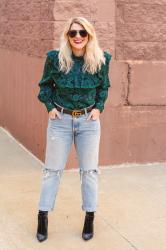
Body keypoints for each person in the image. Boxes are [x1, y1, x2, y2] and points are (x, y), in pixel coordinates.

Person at [36, 16, 112, 242]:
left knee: (89, 171)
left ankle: (90, 216)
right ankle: (43, 215)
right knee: (52, 170)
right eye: (73, 33)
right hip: (61, 121)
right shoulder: (55, 58)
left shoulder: (101, 59)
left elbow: (104, 88)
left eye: (82, 33)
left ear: (89, 35)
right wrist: (50, 107)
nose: (78, 37)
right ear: (67, 36)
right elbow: (44, 86)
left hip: (89, 121)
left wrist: (98, 108)